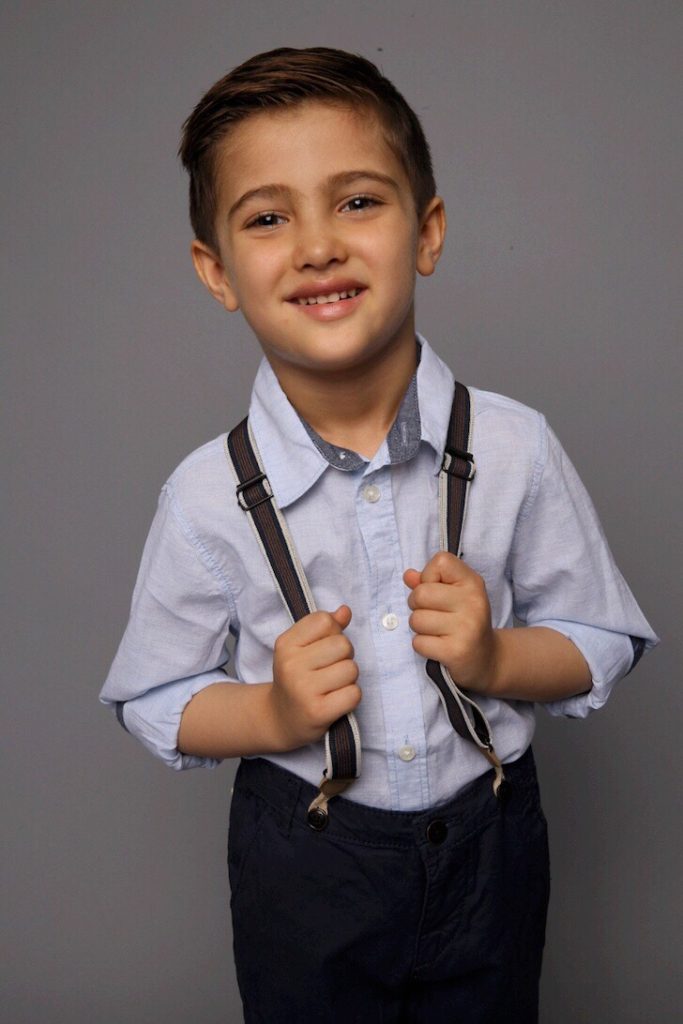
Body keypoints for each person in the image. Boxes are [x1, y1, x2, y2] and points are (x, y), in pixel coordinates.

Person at [100, 47, 658, 1023]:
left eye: (356, 201)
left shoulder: (515, 448)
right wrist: (271, 715)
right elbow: (153, 696)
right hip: (306, 868)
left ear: (426, 231)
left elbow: (602, 635)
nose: (317, 245)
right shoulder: (203, 497)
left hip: (489, 851)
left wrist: (494, 656)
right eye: (267, 218)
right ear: (216, 272)